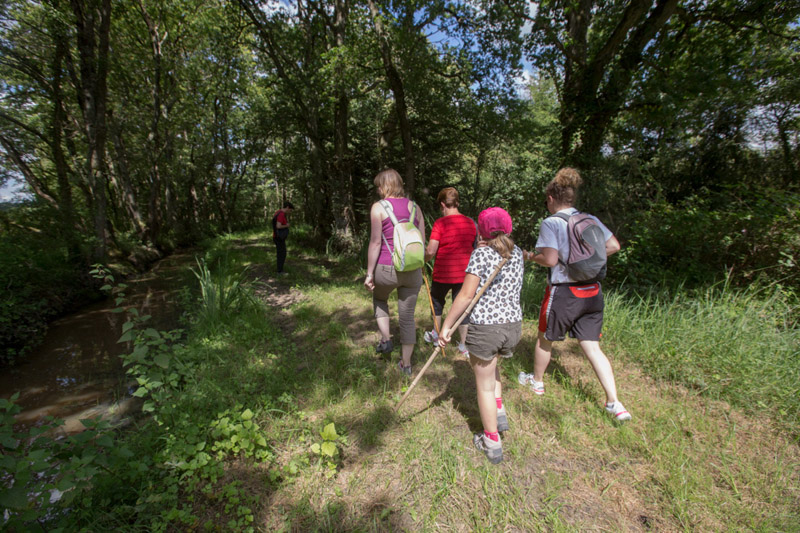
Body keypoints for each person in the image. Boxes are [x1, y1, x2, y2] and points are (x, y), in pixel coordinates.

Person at [520, 167, 632, 422]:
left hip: (564, 292)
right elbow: (613, 245)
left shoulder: (551, 223)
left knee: (544, 338)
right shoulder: (590, 219)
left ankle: (537, 382)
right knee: (592, 346)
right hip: (592, 292)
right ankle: (614, 402)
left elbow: (550, 260)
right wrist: (588, 262)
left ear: (551, 198)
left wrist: (530, 256)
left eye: (546, 201)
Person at [438, 207, 524, 464]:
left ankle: (491, 441)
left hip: (487, 328)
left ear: (482, 231)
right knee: (493, 369)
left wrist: (446, 326)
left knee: (484, 386)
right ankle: (499, 413)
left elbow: (465, 295)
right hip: (512, 326)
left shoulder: (481, 254)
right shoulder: (518, 253)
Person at [364, 169, 425, 376]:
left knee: (380, 299)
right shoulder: (415, 207)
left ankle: (386, 339)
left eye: (379, 186)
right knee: (407, 317)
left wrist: (369, 274)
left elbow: (375, 242)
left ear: (385, 186)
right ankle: (406, 365)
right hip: (412, 269)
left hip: (386, 267)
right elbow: (421, 241)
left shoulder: (378, 207)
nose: (378, 190)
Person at [423, 187, 477, 358]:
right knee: (462, 307)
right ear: (457, 202)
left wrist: (422, 260)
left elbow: (431, 250)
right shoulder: (470, 223)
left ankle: (436, 335)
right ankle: (464, 345)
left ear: (442, 205)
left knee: (437, 302)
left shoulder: (440, 223)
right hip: (465, 274)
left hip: (443, 273)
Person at [272, 201, 294, 275]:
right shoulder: (281, 214)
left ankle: (280, 270)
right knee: (282, 254)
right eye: (290, 210)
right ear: (287, 207)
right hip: (279, 238)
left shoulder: (277, 212)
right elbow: (278, 226)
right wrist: (287, 225)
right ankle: (280, 271)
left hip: (277, 237)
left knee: (281, 253)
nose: (290, 212)